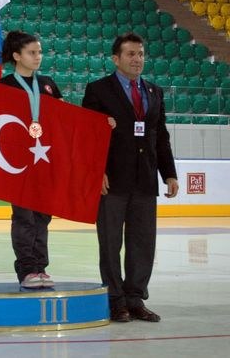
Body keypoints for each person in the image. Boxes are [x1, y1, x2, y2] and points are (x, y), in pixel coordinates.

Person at [82, 32, 178, 323]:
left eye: (141, 54)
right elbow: (88, 138)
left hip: (146, 180)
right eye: (131, 54)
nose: (138, 59)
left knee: (143, 242)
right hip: (112, 180)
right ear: (116, 59)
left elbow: (160, 136)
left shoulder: (154, 92)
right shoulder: (98, 90)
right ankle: (115, 300)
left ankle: (135, 299)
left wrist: (169, 174)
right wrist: (96, 172)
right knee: (110, 243)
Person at [0, 31, 62, 289]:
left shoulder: (47, 83)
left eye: (40, 52)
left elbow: (63, 118)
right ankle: (26, 269)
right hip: (19, 162)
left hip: (45, 159)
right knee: (24, 217)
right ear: (16, 56)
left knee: (43, 216)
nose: (38, 57)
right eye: (32, 52)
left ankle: (41, 267)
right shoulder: (5, 85)